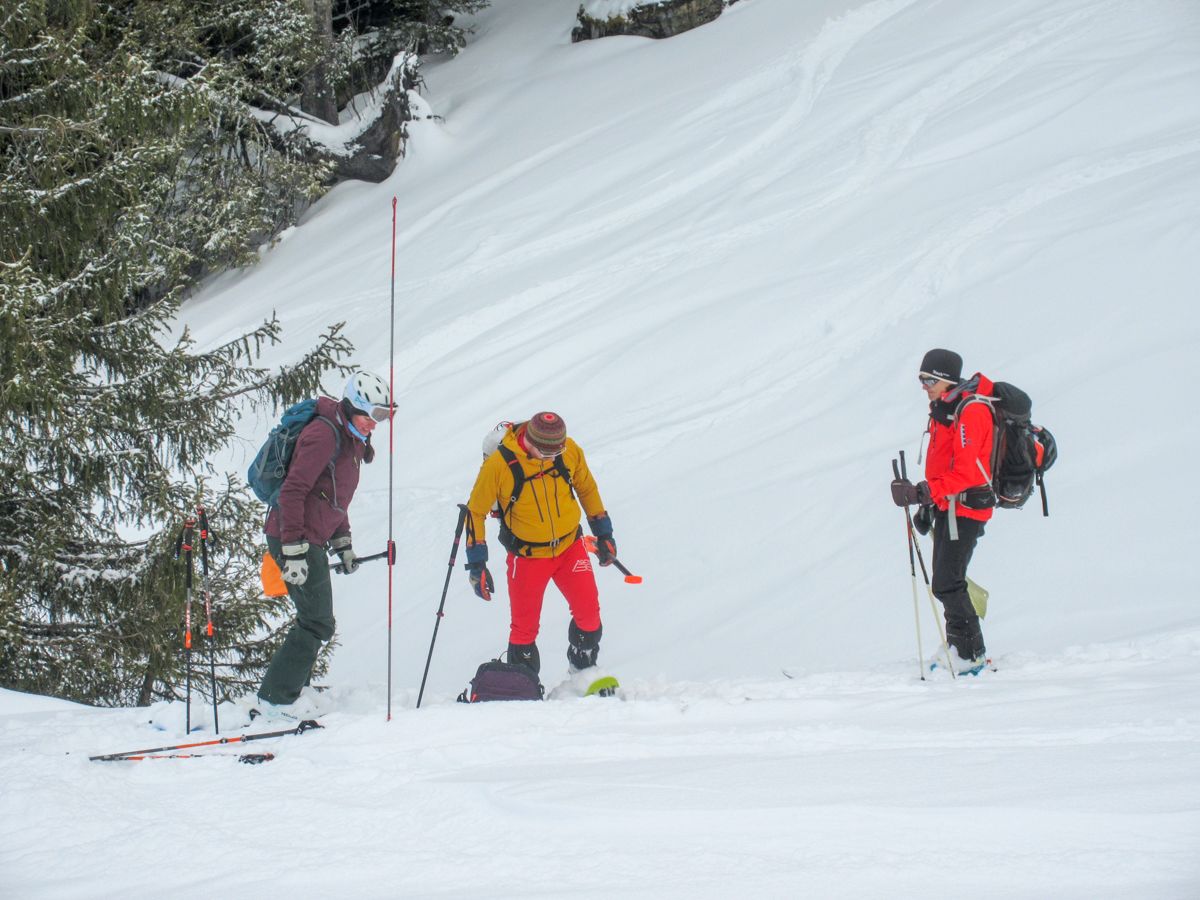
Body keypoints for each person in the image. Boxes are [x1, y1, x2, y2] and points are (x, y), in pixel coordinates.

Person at [254, 370, 393, 714]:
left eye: (384, 416)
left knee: (314, 619)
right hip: (294, 536)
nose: (375, 424)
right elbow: (294, 492)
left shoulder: (351, 440)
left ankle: (289, 693)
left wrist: (343, 543)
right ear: (352, 406)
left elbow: (333, 498)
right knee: (316, 621)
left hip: (309, 537)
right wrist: (293, 550)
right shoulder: (323, 435)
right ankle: (275, 700)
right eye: (372, 415)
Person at [464, 412, 616, 679]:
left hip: (570, 547)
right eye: (546, 454)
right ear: (530, 441)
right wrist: (477, 565)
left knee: (590, 617)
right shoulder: (499, 465)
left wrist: (604, 533)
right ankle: (524, 687)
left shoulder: (569, 452)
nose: (552, 458)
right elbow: (475, 512)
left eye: (557, 452)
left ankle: (582, 674)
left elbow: (587, 488)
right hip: (528, 557)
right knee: (524, 630)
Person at [891, 349, 994, 673]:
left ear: (947, 379)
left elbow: (967, 472)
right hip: (948, 506)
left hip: (966, 508)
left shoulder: (970, 412)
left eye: (929, 379)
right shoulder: (945, 410)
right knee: (946, 581)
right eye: (922, 379)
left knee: (947, 583)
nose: (924, 385)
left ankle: (970, 653)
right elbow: (945, 467)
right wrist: (929, 502)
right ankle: (958, 647)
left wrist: (925, 492)